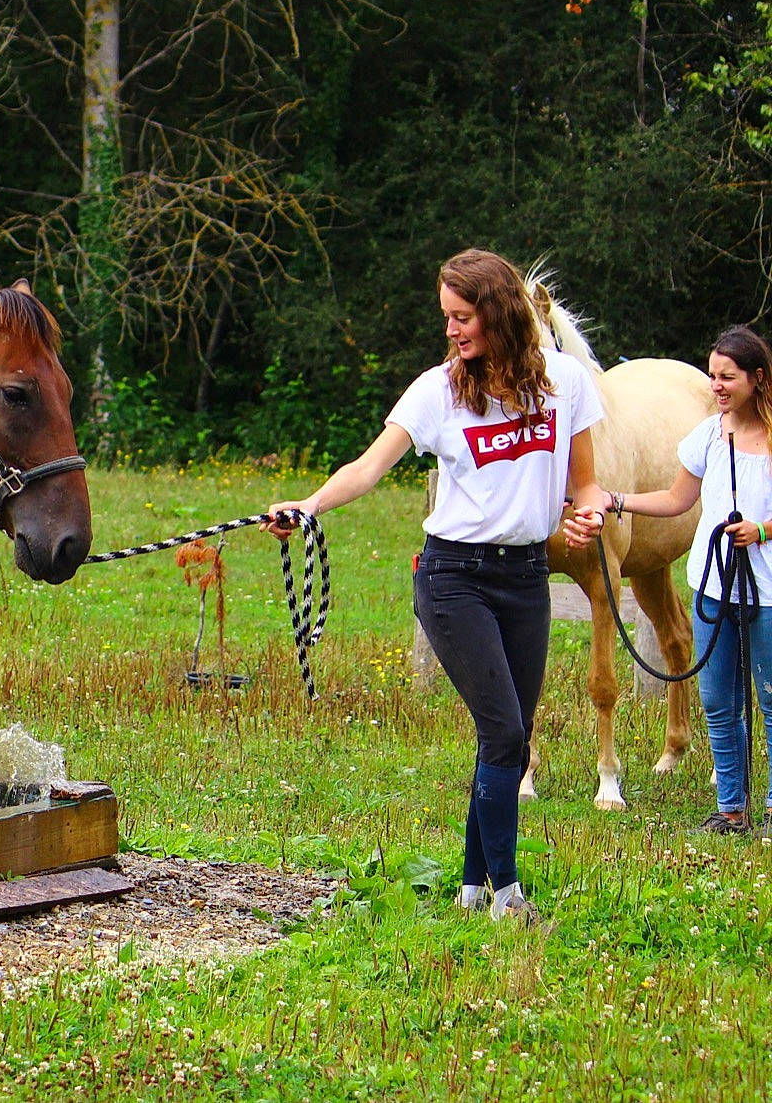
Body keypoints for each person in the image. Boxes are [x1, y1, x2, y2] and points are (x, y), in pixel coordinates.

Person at [268, 249, 605, 923]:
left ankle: (473, 886)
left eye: (462, 316)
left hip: (525, 575)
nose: (452, 330)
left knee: (506, 732)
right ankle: (508, 897)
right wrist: (307, 506)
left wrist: (590, 507)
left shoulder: (567, 382)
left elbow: (585, 479)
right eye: (446, 318)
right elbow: (367, 468)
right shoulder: (439, 391)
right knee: (506, 730)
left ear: (501, 311)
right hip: (456, 580)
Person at [563, 325, 772, 836]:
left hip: (766, 588)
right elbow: (676, 500)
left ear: (757, 379)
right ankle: (731, 807)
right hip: (713, 584)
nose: (716, 386)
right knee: (719, 701)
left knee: (769, 699)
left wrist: (764, 529)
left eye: (727, 377)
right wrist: (617, 501)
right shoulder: (706, 435)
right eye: (713, 375)